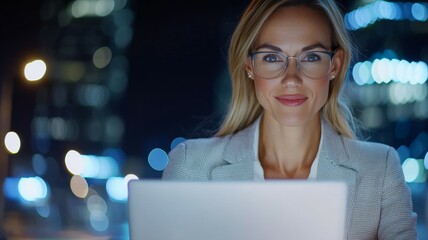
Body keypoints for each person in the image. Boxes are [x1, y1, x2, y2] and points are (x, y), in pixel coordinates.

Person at [162, 0, 418, 239]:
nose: (292, 79)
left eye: (311, 57)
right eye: (272, 58)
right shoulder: (190, 167)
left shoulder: (380, 169)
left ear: (335, 66)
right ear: (249, 65)